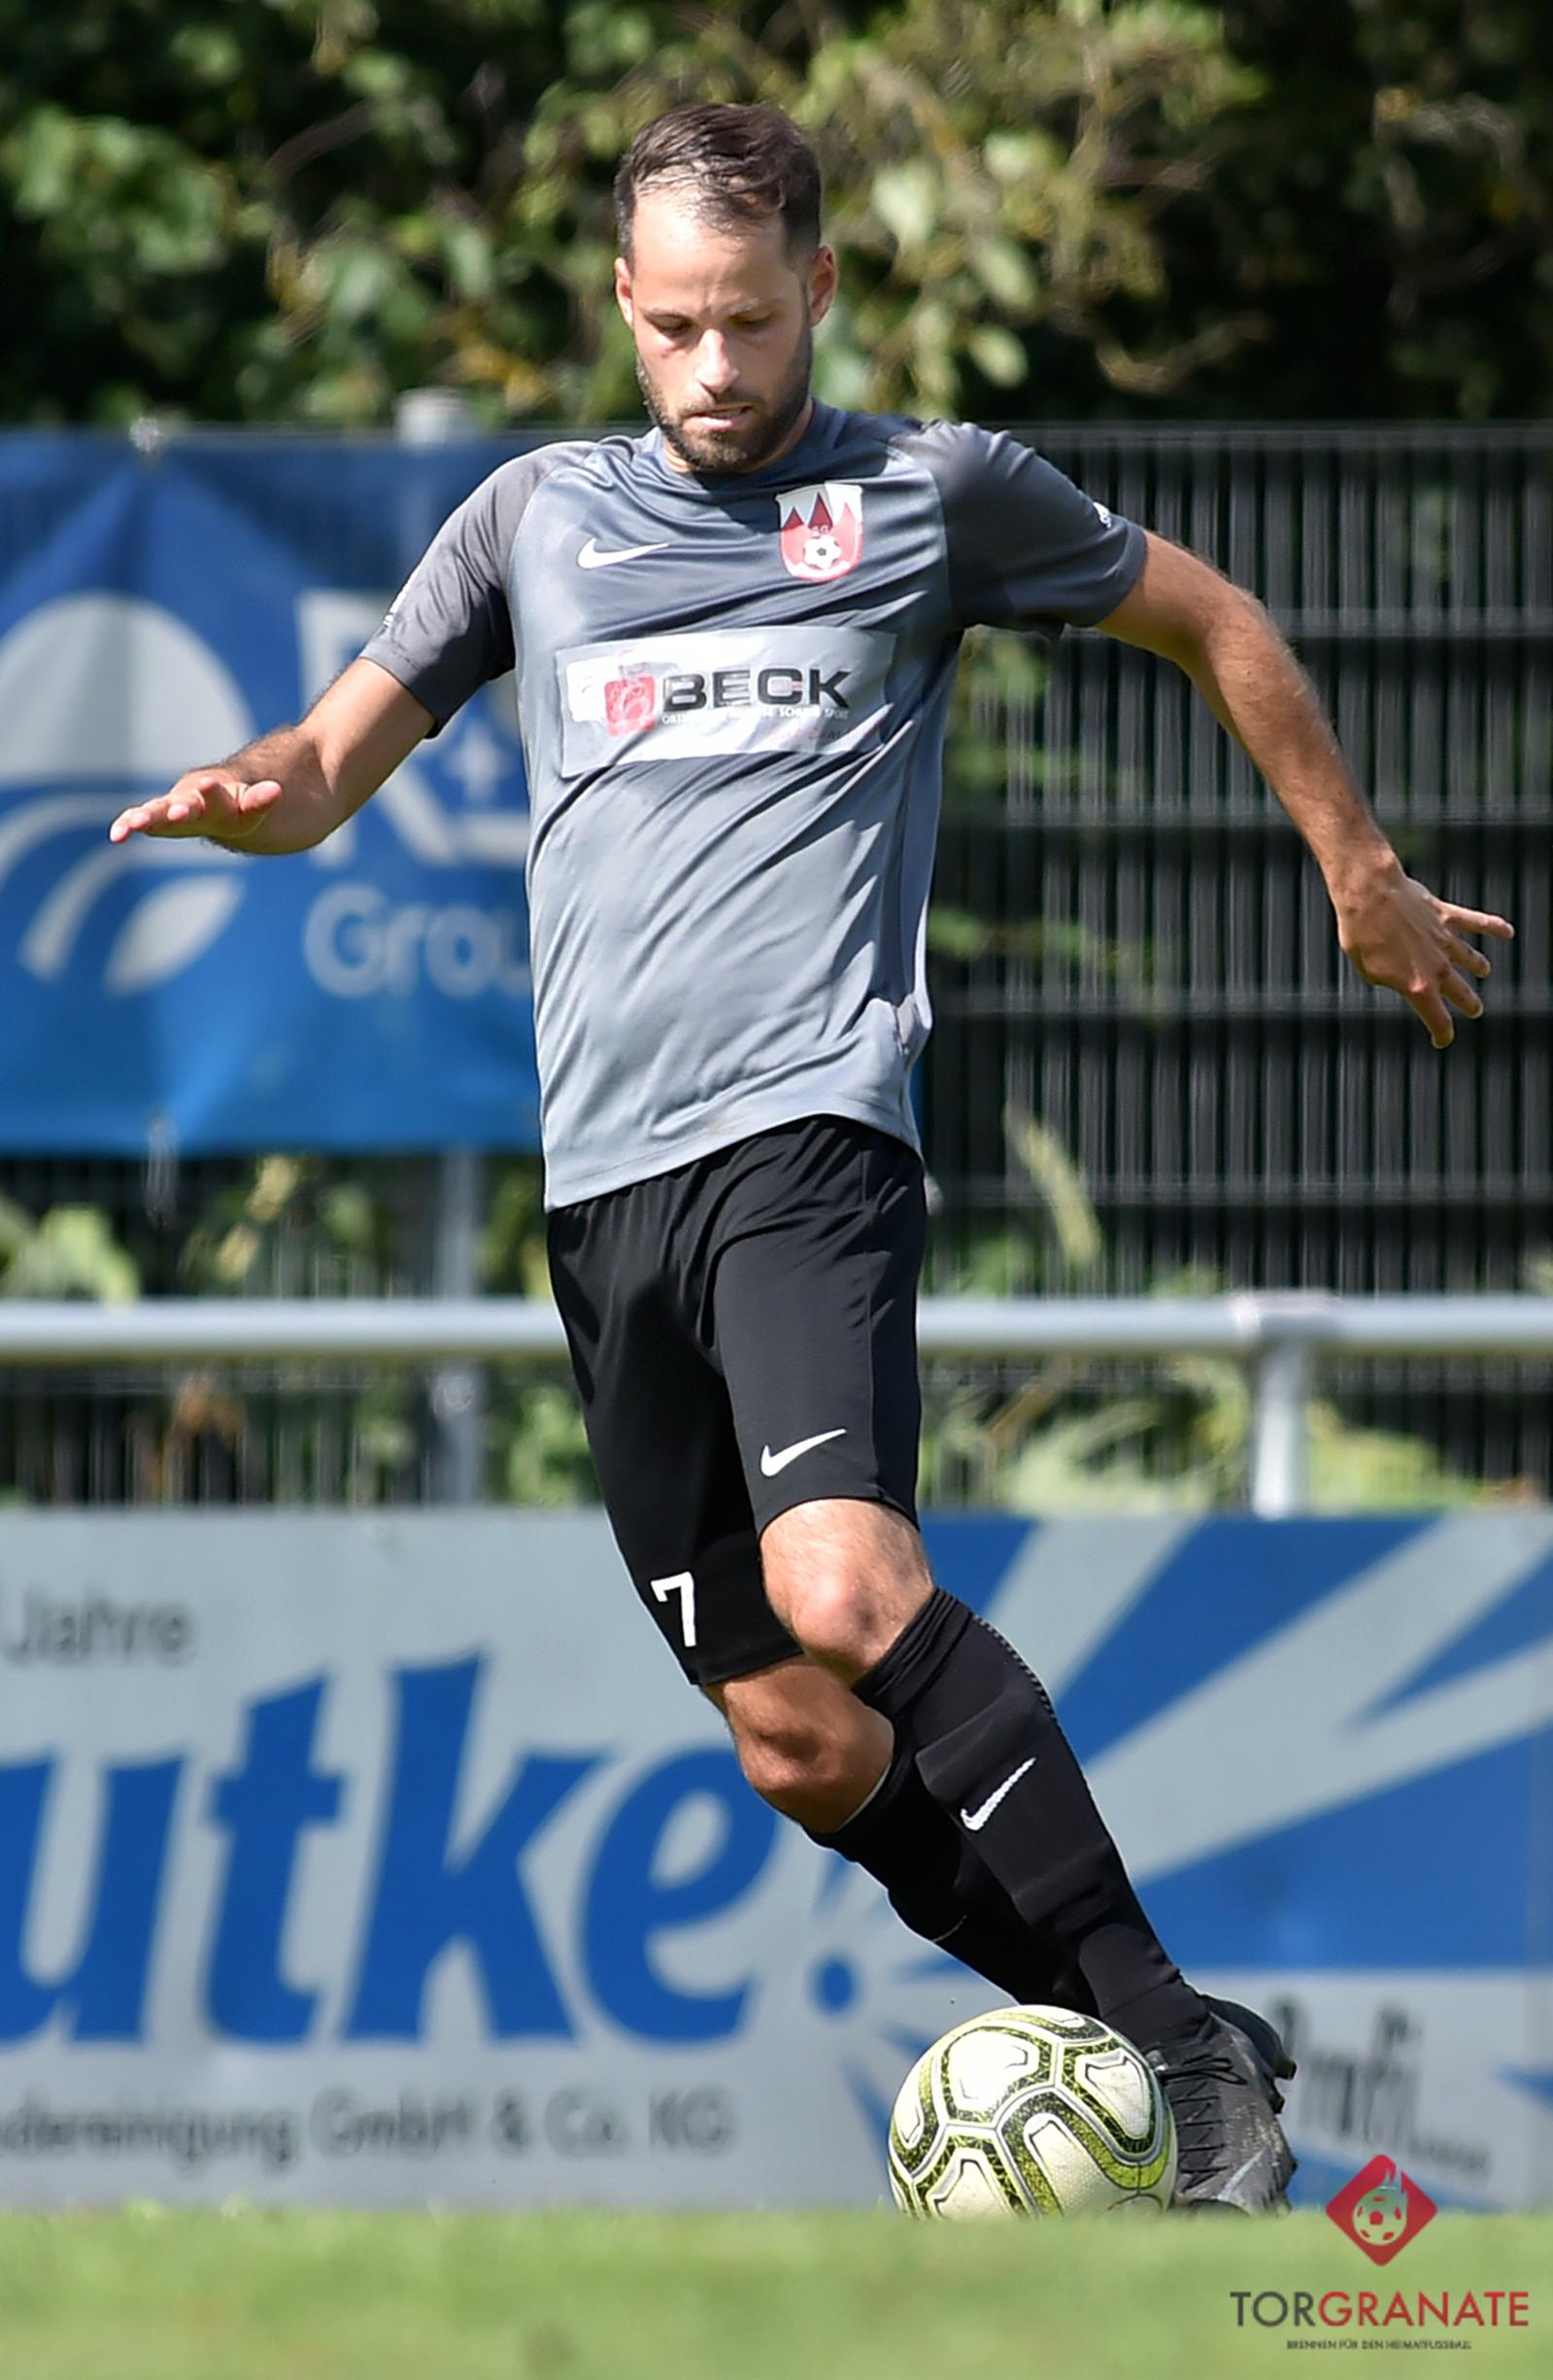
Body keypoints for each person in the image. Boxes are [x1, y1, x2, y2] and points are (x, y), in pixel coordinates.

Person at [110, 101, 1513, 2212]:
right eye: (674, 324)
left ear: (822, 291)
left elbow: (1216, 620)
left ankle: (1174, 2062)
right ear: (620, 301)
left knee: (844, 1583)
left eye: (751, 321)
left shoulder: (929, 494)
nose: (713, 367)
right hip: (604, 1200)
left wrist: (1359, 870)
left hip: (806, 1136)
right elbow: (325, 761)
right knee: (797, 1738)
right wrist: (255, 793)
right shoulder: (531, 521)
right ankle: (1178, 2035)